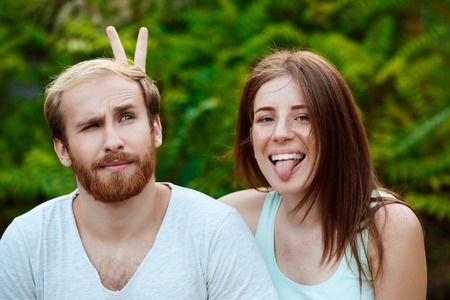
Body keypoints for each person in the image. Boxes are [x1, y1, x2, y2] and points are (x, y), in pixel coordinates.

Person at [107, 26, 427, 299]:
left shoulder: (387, 227)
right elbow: (154, 227)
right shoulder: (240, 217)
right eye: (265, 118)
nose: (281, 133)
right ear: (250, 135)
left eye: (302, 116)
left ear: (337, 128)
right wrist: (138, 123)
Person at [0, 51, 278, 298]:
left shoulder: (214, 232)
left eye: (127, 117)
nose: (113, 141)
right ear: (63, 150)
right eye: (91, 126)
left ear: (156, 129)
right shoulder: (27, 243)